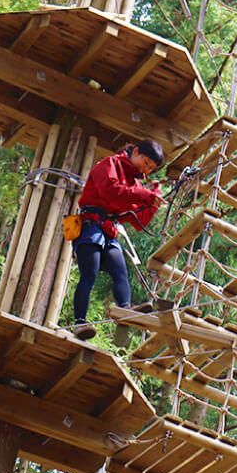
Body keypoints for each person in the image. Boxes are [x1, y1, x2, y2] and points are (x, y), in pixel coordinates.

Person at [69, 139, 165, 339]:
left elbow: (139, 220)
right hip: (90, 224)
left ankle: (125, 309)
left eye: (150, 168)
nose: (146, 169)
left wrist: (153, 199)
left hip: (109, 229)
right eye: (145, 162)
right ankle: (79, 323)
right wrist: (145, 195)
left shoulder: (135, 184)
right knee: (89, 274)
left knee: (120, 270)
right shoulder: (109, 164)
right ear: (135, 151)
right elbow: (110, 191)